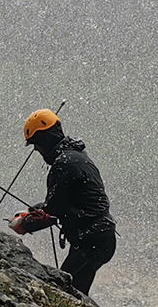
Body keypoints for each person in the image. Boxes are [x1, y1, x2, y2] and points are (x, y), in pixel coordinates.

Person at [11, 109, 117, 295]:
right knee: (76, 292)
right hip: (100, 238)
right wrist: (35, 210)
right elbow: (59, 204)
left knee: (61, 290)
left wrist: (25, 224)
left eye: (36, 144)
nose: (36, 150)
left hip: (90, 241)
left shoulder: (64, 164)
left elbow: (53, 211)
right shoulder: (77, 156)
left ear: (45, 140)